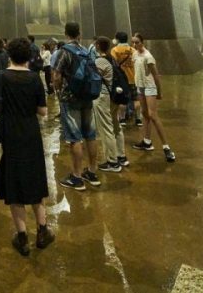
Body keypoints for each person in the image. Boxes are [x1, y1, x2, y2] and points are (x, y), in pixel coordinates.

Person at [0, 38, 54, 255]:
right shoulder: (35, 79)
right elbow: (43, 111)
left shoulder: (0, 77)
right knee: (35, 180)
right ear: (29, 56)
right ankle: (43, 232)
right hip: (30, 134)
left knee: (14, 183)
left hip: (8, 135)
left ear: (9, 55)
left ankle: (22, 237)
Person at [52, 22, 100, 190]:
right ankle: (92, 172)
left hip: (70, 98)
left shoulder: (63, 52)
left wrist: (58, 91)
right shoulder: (87, 51)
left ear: (66, 34)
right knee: (90, 136)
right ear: (79, 33)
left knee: (75, 137)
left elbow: (56, 76)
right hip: (87, 97)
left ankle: (77, 177)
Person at [130, 34, 175, 162]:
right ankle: (147, 141)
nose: (134, 45)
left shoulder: (148, 57)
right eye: (133, 42)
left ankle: (166, 147)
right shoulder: (134, 54)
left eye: (137, 42)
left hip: (150, 87)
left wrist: (159, 92)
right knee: (145, 114)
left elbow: (156, 76)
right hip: (140, 86)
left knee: (153, 115)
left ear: (142, 42)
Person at [92, 37, 126, 173]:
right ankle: (121, 156)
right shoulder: (112, 59)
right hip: (114, 96)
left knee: (106, 128)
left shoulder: (100, 61)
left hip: (103, 97)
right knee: (116, 125)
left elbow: (95, 78)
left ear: (99, 46)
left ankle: (112, 161)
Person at [111, 32, 141, 127]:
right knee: (135, 99)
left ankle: (122, 119)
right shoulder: (133, 50)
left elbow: (113, 65)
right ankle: (138, 119)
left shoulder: (115, 50)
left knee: (122, 100)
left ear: (118, 39)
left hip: (121, 80)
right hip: (133, 78)